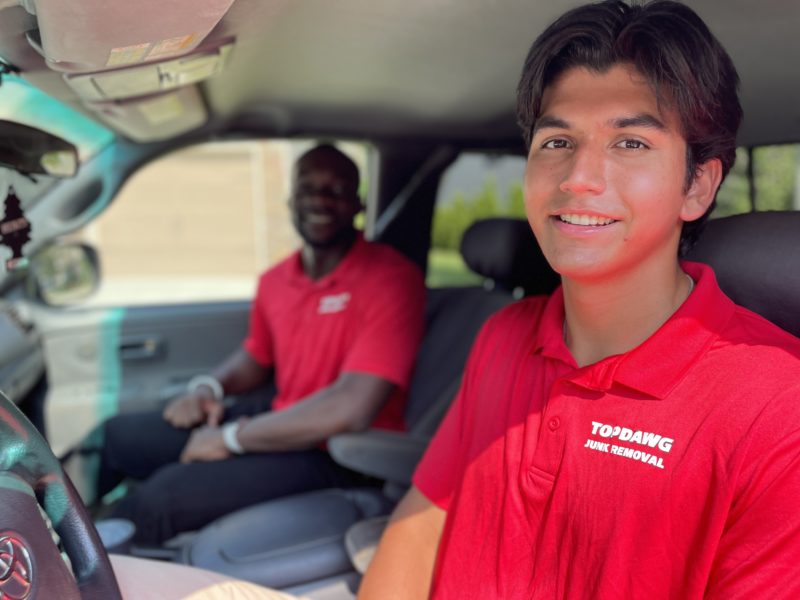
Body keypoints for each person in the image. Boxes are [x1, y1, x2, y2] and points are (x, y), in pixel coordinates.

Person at [359, 2, 800, 598]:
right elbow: (422, 521)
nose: (578, 177)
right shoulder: (503, 336)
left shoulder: (776, 411)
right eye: (558, 140)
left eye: (631, 144)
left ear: (697, 185)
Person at [96, 143, 426, 546]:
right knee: (118, 436)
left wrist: (231, 437)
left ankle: (77, 571)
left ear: (357, 204)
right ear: (292, 200)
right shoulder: (275, 280)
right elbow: (257, 354)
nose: (320, 199)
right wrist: (208, 388)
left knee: (158, 499)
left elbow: (350, 408)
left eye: (337, 190)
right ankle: (52, 523)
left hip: (339, 451)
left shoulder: (390, 278)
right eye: (309, 188)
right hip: (280, 416)